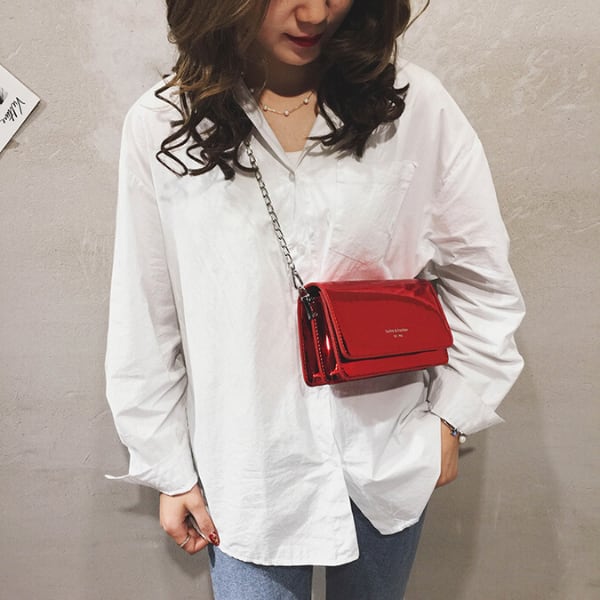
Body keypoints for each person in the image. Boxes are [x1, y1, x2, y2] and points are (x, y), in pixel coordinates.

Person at [105, 1, 525, 598]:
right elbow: (147, 315)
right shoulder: (164, 123)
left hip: (387, 455)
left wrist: (452, 417)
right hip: (249, 472)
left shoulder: (412, 106)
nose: (315, 13)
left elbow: (482, 282)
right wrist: (168, 466)